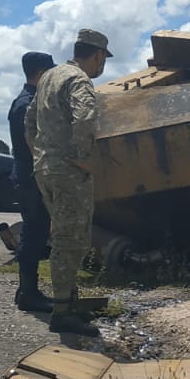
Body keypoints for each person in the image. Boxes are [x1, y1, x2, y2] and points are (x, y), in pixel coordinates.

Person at [25, 28, 113, 336]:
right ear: (97, 55)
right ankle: (62, 311)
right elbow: (85, 117)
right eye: (103, 58)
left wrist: (40, 154)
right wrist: (82, 157)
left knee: (66, 235)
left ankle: (69, 303)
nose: (103, 65)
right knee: (71, 240)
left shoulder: (49, 77)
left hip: (46, 169)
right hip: (68, 172)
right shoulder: (79, 79)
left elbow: (29, 121)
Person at [7, 51, 54, 313]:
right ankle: (29, 293)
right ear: (41, 73)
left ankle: (26, 290)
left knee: (34, 232)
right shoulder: (27, 104)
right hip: (32, 178)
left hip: (27, 176)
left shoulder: (26, 101)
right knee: (34, 234)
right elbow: (33, 144)